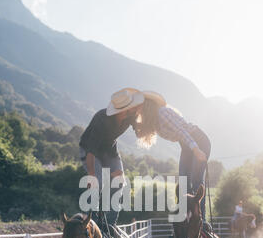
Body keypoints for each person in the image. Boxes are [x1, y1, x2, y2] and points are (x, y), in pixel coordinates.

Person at [131, 90, 211, 227]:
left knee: (196, 181)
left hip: (197, 141)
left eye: (140, 106)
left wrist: (197, 150)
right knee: (184, 183)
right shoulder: (154, 122)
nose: (138, 110)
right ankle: (185, 218)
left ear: (147, 105)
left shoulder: (162, 113)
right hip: (186, 146)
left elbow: (182, 131)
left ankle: (201, 221)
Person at [79, 88, 145, 226]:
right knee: (97, 182)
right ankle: (92, 223)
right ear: (121, 110)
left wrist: (147, 122)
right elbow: (91, 152)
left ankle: (109, 225)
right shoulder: (101, 120)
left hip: (109, 150)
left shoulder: (130, 115)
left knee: (120, 181)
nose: (131, 111)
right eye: (129, 109)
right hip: (90, 150)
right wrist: (91, 175)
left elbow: (139, 129)